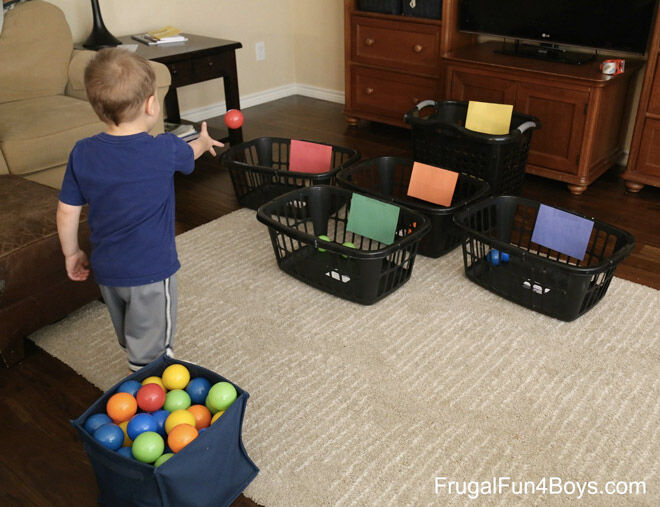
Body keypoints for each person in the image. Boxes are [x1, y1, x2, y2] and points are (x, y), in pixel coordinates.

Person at [57, 48, 223, 371]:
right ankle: (146, 384)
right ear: (151, 104)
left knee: (130, 333)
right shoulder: (163, 148)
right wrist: (203, 141)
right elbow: (191, 154)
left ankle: (139, 358)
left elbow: (67, 210)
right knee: (151, 350)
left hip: (107, 271)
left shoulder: (82, 153)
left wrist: (71, 252)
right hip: (151, 270)